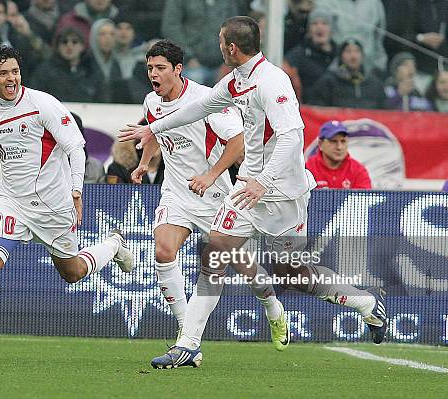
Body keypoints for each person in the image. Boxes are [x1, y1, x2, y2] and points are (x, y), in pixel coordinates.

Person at [120, 16, 388, 368]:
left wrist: (266, 181)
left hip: (282, 196)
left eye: (220, 41)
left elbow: (292, 136)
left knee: (293, 277)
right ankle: (188, 344)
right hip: (246, 189)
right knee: (215, 250)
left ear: (231, 47)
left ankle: (366, 303)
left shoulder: (273, 81)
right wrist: (152, 128)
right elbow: (198, 108)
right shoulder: (235, 81)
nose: (218, 46)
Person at [0, 45, 133, 363]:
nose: (11, 78)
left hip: (54, 206)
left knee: (72, 272)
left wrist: (77, 191)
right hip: (12, 202)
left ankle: (112, 245)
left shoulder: (43, 104)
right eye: (3, 73)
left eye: (15, 71)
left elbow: (77, 149)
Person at [129, 40, 246, 367]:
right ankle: (186, 334)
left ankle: (273, 310)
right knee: (163, 251)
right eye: (150, 68)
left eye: (160, 68)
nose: (154, 73)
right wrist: (144, 164)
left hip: (213, 194)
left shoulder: (207, 100)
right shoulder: (151, 101)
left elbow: (237, 143)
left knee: (228, 266)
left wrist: (210, 175)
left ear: (178, 70)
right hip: (177, 193)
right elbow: (153, 133)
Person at [160, 0, 238, 86]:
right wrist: (189, 56)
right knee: (193, 89)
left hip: (223, 64)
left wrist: (230, 61)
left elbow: (235, 27)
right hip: (191, 64)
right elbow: (170, 27)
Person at [308, 39, 386, 109]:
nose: (353, 56)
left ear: (362, 56)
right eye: (348, 51)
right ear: (341, 56)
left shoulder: (375, 84)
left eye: (357, 51)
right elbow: (317, 110)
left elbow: (385, 112)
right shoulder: (328, 82)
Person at [31, 26, 102, 102]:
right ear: (58, 46)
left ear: (82, 46)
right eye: (64, 42)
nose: (69, 45)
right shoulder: (45, 71)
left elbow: (102, 100)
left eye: (74, 42)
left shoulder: (91, 70)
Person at [283, 7, 337, 103]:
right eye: (314, 23)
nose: (319, 27)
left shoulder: (341, 55)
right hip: (308, 112)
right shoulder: (297, 55)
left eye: (324, 23)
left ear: (331, 29)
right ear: (309, 29)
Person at [305, 121, 372, 189]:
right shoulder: (308, 169)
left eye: (343, 141)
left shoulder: (358, 170)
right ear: (320, 144)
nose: (339, 147)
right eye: (333, 141)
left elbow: (364, 198)